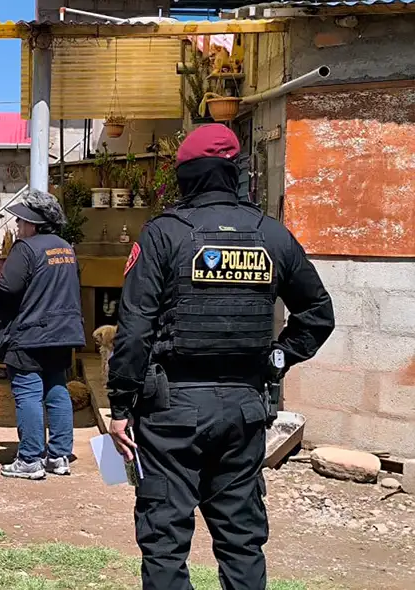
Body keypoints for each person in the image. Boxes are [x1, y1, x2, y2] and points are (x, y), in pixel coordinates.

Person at [106, 124, 335, 590]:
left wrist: (122, 406)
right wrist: (278, 357)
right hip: (244, 410)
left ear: (186, 176)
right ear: (235, 175)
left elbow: (134, 329)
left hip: (170, 412)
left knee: (165, 539)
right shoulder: (272, 235)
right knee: (241, 539)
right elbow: (318, 313)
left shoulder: (163, 235)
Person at [0, 189, 85, 480]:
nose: (18, 226)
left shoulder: (26, 249)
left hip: (30, 334)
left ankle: (30, 459)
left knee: (28, 394)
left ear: (35, 223)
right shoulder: (65, 248)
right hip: (62, 334)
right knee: (57, 389)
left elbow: (9, 289)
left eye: (22, 221)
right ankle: (59, 456)